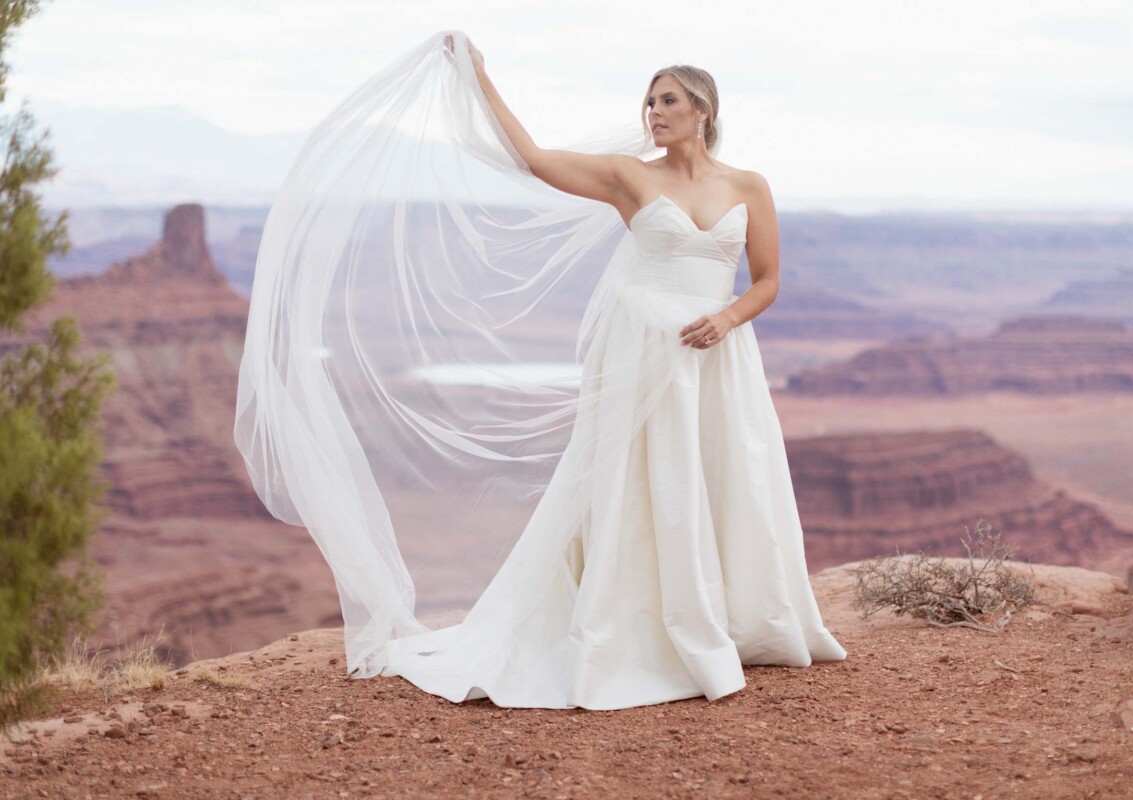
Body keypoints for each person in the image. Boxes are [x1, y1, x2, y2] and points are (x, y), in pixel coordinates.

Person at [235, 30, 846, 711]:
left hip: (719, 353)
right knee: (645, 485)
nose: (654, 112)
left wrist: (728, 319)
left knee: (725, 471)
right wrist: (481, 78)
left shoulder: (748, 185)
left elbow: (767, 280)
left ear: (702, 109)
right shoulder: (628, 176)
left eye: (667, 100)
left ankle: (737, 618)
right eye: (649, 102)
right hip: (643, 348)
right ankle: (640, 625)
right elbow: (529, 159)